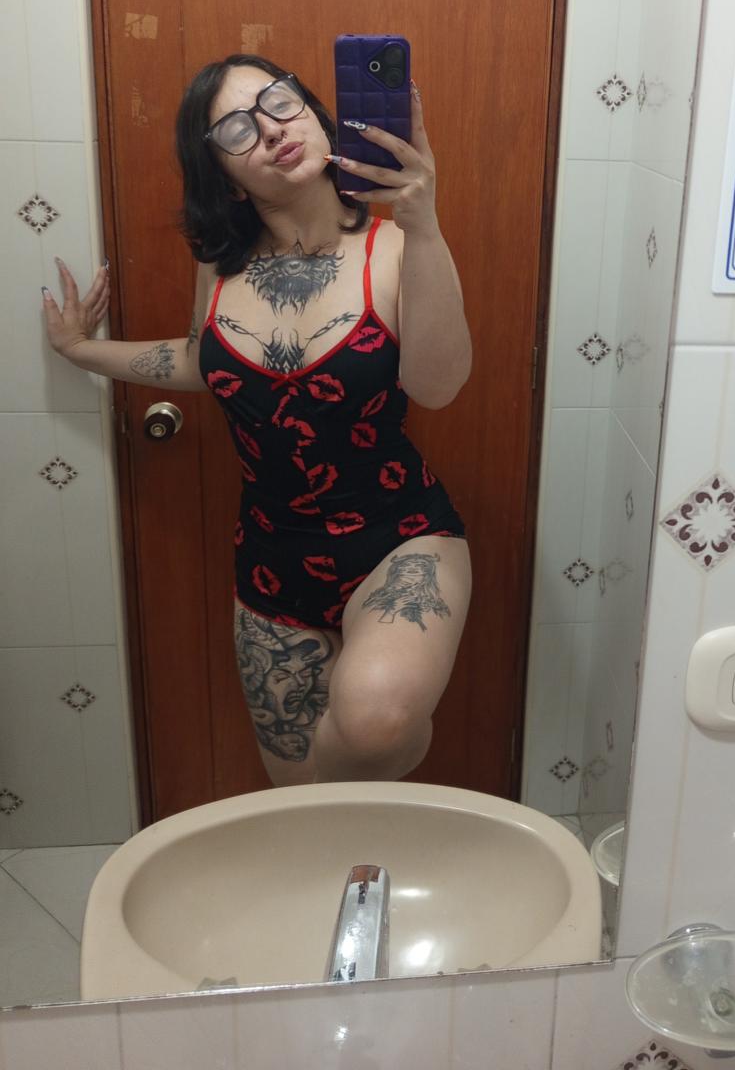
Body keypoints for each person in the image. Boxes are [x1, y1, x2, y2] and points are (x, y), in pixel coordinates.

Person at [43, 54, 472, 788]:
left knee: (373, 721)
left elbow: (437, 388)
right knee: (296, 791)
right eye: (237, 130)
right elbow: (200, 360)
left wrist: (425, 226)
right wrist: (82, 350)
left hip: (400, 539)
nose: (270, 129)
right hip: (271, 560)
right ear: (225, 176)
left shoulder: (398, 247)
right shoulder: (220, 267)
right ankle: (359, 842)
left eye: (279, 101)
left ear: (316, 114)